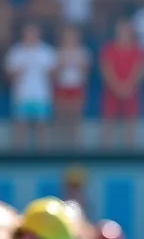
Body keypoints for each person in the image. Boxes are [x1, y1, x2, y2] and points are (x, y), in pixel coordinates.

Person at [5, 23, 57, 147]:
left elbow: (55, 75)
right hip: (21, 95)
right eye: (28, 34)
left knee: (42, 128)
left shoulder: (47, 52)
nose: (31, 37)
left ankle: (43, 156)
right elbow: (8, 76)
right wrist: (15, 73)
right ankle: (18, 156)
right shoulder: (16, 52)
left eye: (33, 34)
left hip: (42, 95)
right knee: (20, 127)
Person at [99, 18, 144, 147]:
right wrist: (117, 86)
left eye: (126, 30)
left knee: (130, 122)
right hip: (112, 90)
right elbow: (106, 68)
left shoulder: (137, 50)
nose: (123, 33)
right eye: (120, 30)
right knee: (108, 122)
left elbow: (139, 69)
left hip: (131, 90)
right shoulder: (108, 49)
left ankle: (129, 154)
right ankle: (106, 154)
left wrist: (129, 85)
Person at [54, 25, 91, 141]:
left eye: (72, 36)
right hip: (62, 87)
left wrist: (79, 64)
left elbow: (86, 73)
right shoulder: (57, 53)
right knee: (62, 118)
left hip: (77, 87)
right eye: (67, 36)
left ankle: (76, 147)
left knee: (76, 119)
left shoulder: (83, 52)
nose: (70, 38)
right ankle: (61, 144)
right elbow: (54, 75)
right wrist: (61, 65)